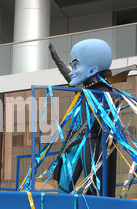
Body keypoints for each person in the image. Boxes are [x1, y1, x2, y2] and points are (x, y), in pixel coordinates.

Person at [50, 39, 118, 196]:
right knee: (63, 189)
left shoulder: (105, 94)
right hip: (74, 145)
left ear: (93, 70)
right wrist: (57, 60)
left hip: (91, 142)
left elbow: (109, 128)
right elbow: (70, 77)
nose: (72, 71)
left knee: (97, 187)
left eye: (75, 65)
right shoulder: (85, 92)